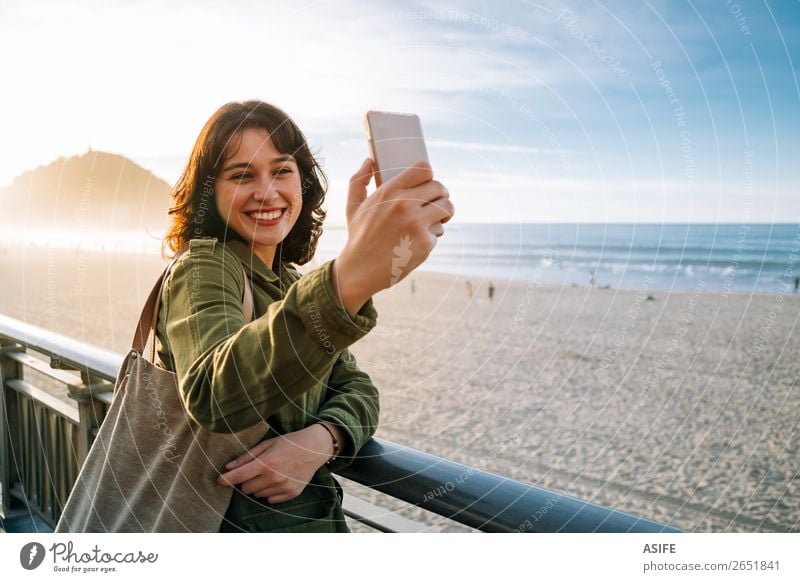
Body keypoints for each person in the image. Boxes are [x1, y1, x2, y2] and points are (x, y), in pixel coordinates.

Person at [156, 100, 453, 532]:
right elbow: (213, 393)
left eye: (281, 171)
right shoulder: (204, 267)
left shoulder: (294, 285)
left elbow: (358, 388)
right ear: (209, 191)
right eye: (242, 175)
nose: (267, 191)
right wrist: (348, 277)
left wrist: (322, 440)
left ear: (303, 182)